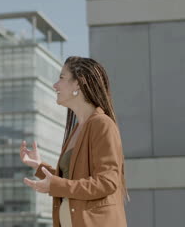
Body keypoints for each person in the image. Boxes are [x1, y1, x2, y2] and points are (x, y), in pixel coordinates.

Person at [20, 56, 127, 227]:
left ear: (78, 83)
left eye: (61, 78)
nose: (55, 85)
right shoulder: (78, 128)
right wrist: (40, 166)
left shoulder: (102, 124)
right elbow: (73, 178)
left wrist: (54, 185)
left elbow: (107, 182)